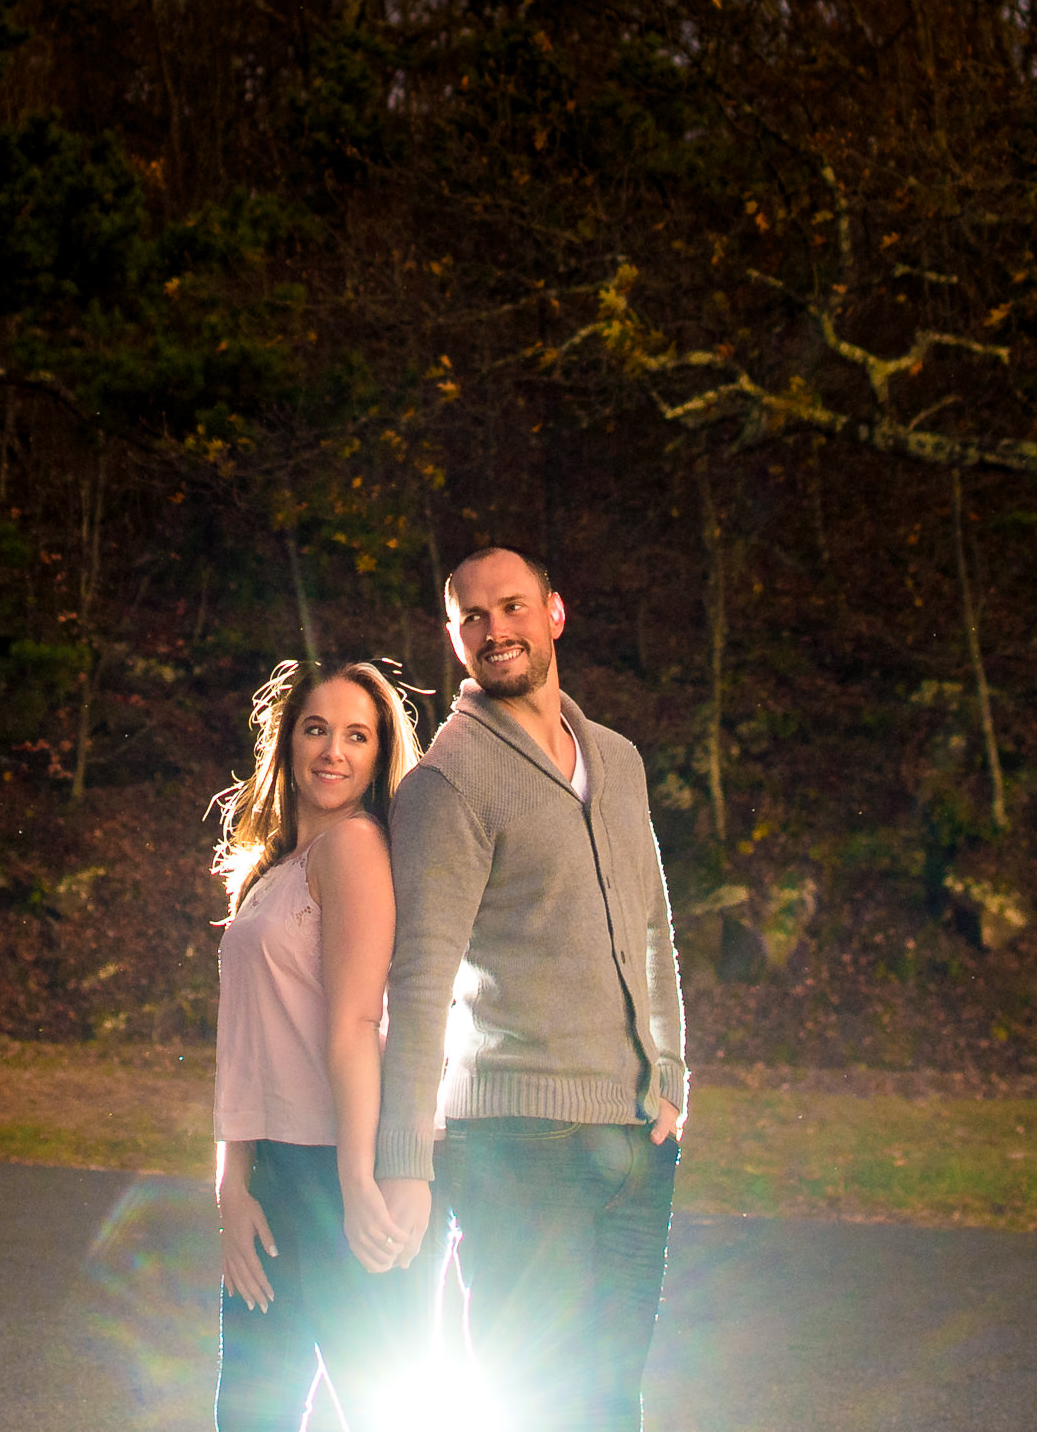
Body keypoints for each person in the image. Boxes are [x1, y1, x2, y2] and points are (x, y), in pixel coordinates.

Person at [363, 547, 688, 1431]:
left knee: (612, 1401)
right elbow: (418, 977)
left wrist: (671, 1075)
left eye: (512, 608)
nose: (495, 629)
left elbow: (653, 924)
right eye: (474, 617)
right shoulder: (448, 782)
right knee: (533, 1403)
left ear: (554, 613)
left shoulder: (618, 760)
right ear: (454, 638)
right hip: (516, 1146)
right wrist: (404, 1159)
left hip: (631, 1138)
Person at [210, 657, 423, 1431]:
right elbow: (245, 1049)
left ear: (377, 756)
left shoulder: (356, 848)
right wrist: (233, 1187)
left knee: (378, 1411)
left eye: (357, 735)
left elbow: (357, 1024)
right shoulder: (274, 870)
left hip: (338, 1170)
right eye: (317, 729)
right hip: (272, 1170)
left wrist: (361, 1180)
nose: (334, 750)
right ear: (288, 743)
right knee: (251, 1415)